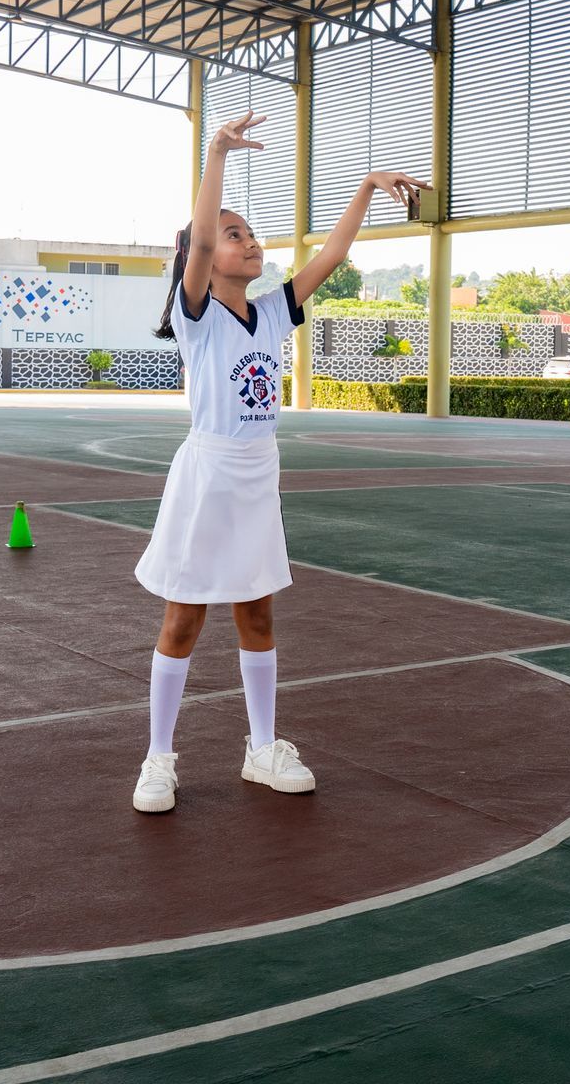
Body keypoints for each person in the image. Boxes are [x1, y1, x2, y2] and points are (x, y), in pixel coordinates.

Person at [130, 109, 426, 814]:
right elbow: (200, 236)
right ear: (200, 261)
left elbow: (329, 258)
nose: (249, 242)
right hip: (207, 476)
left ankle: (262, 748)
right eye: (235, 236)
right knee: (183, 620)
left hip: (258, 475)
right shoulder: (198, 316)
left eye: (252, 234)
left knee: (257, 615)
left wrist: (362, 187)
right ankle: (158, 758)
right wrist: (216, 156)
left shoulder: (271, 310)